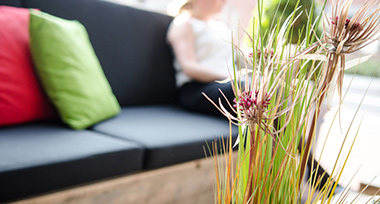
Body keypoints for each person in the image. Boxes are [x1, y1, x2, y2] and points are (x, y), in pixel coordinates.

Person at [167, 0, 237, 116]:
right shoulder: (184, 23)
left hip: (227, 84)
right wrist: (229, 77)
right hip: (197, 88)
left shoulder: (220, 27)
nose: (224, 2)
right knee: (246, 89)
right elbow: (189, 67)